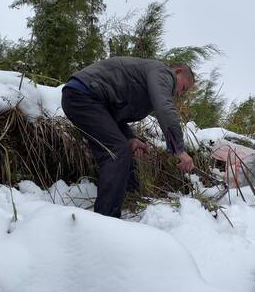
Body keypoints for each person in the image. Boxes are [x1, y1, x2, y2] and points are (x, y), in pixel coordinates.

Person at [61, 56, 195, 218]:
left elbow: (113, 114)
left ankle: (131, 204)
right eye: (184, 87)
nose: (180, 94)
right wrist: (179, 149)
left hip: (89, 100)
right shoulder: (163, 72)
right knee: (118, 150)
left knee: (123, 149)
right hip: (83, 94)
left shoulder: (145, 83)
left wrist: (130, 138)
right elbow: (165, 108)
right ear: (177, 72)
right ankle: (106, 220)